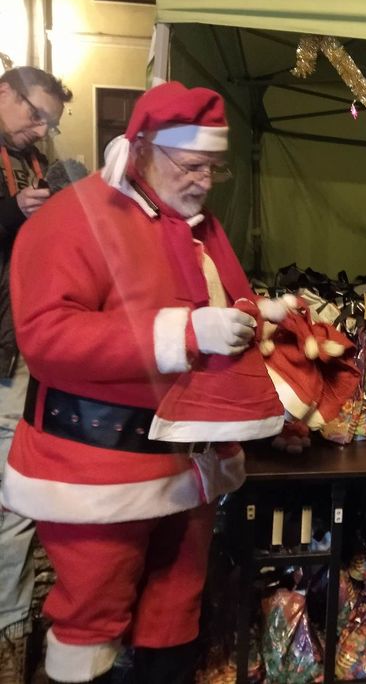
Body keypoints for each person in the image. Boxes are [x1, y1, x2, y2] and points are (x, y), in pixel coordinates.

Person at [0, 81, 288, 684]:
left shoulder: (195, 223)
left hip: (189, 469)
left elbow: (215, 304)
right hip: (97, 470)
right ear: (144, 149)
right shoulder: (72, 219)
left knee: (174, 615)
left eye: (215, 169)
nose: (206, 182)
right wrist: (182, 334)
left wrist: (262, 315)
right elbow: (48, 337)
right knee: (90, 621)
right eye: (192, 166)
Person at [0, 65, 71, 681]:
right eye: (33, 113)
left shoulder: (37, 162)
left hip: (19, 353)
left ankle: (14, 634)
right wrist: (11, 213)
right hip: (5, 357)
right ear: (5, 92)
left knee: (15, 503)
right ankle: (10, 638)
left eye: (49, 120)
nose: (40, 127)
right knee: (12, 507)